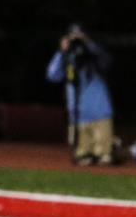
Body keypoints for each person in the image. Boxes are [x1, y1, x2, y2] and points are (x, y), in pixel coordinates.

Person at [45, 25, 116, 166]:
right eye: (73, 36)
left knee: (104, 158)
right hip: (78, 116)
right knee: (82, 159)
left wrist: (88, 44)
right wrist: (61, 52)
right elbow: (52, 76)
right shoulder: (67, 58)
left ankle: (114, 147)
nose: (76, 41)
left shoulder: (94, 56)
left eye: (80, 36)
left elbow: (107, 62)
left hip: (99, 114)